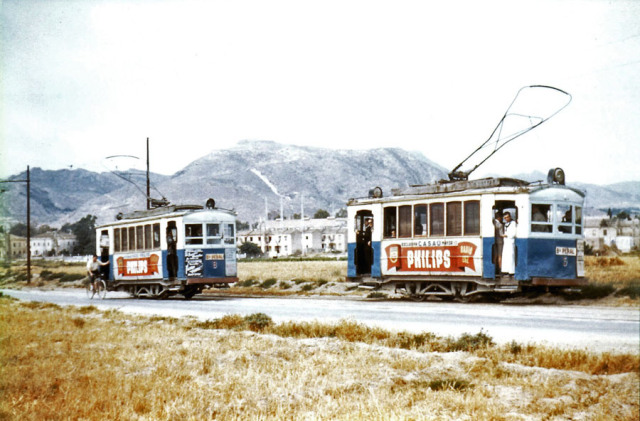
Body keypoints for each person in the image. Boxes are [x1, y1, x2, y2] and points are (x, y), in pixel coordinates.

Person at [501, 212, 517, 276]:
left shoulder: (513, 223)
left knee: (511, 256)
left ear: (510, 216)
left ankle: (511, 271)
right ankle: (505, 270)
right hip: (506, 242)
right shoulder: (506, 224)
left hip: (510, 241)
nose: (506, 219)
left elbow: (514, 233)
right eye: (505, 218)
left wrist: (506, 235)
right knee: (505, 256)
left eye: (507, 217)